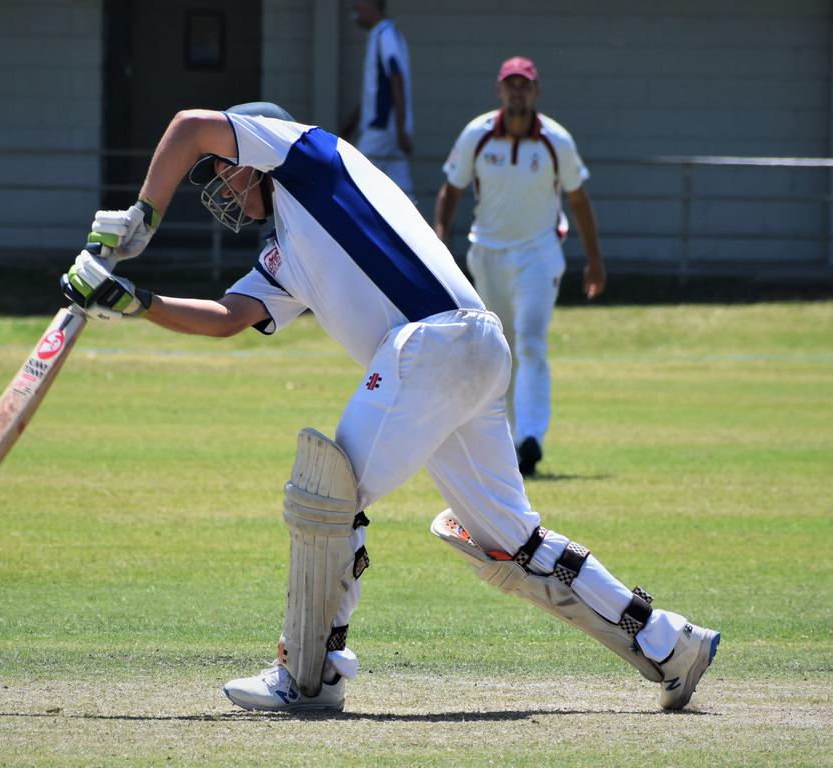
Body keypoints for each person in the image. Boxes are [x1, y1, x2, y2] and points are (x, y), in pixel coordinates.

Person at [61, 101, 719, 715]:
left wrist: (141, 217)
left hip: (433, 344)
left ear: (253, 150)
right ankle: (668, 643)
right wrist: (134, 301)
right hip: (472, 351)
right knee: (515, 541)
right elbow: (229, 318)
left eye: (227, 171)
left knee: (327, 495)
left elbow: (188, 126)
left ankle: (310, 677)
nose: (225, 188)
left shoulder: (306, 156)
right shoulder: (284, 251)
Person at [433, 56, 607, 477]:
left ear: (536, 91)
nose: (517, 92)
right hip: (488, 252)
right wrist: (440, 241)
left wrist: (595, 261)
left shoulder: (555, 140)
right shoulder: (477, 134)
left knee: (530, 340)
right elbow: (451, 190)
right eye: (510, 84)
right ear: (499, 90)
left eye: (524, 85)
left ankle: (531, 437)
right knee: (499, 346)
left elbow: (579, 199)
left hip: (539, 253)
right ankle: (507, 440)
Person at [338, 0, 415, 198]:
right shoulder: (383, 35)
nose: (355, 10)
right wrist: (353, 122)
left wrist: (400, 129)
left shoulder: (385, 35)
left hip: (382, 130)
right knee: (403, 194)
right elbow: (376, 91)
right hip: (390, 132)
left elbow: (395, 79)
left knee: (352, 178)